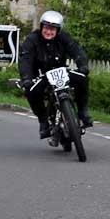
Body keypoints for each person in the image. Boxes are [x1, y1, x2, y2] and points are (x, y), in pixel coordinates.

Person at [19, 10, 92, 139]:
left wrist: (83, 65)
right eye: (46, 28)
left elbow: (76, 50)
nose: (49, 31)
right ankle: (43, 121)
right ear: (41, 27)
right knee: (31, 91)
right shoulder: (32, 40)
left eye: (53, 29)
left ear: (58, 30)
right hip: (42, 75)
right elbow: (25, 59)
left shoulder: (64, 37)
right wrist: (26, 78)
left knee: (82, 79)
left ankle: (83, 112)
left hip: (61, 72)